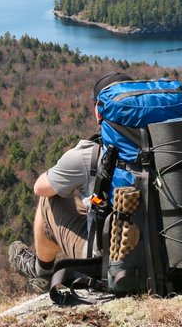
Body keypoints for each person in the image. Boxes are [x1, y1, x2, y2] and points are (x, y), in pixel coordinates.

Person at [7, 71, 131, 290]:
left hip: (111, 260)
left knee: (50, 199)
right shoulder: (168, 143)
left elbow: (40, 188)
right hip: (166, 250)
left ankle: (41, 270)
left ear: (99, 110)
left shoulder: (90, 154)